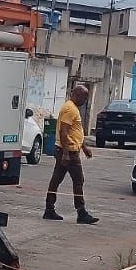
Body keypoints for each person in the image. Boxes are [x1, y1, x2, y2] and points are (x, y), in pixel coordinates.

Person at [43, 81, 98, 225]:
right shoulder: (70, 109)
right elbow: (64, 132)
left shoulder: (71, 108)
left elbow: (75, 132)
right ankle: (81, 212)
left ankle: (49, 209)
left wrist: (84, 147)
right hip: (69, 152)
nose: (85, 101)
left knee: (56, 179)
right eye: (84, 97)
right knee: (78, 180)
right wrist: (66, 153)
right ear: (77, 95)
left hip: (69, 150)